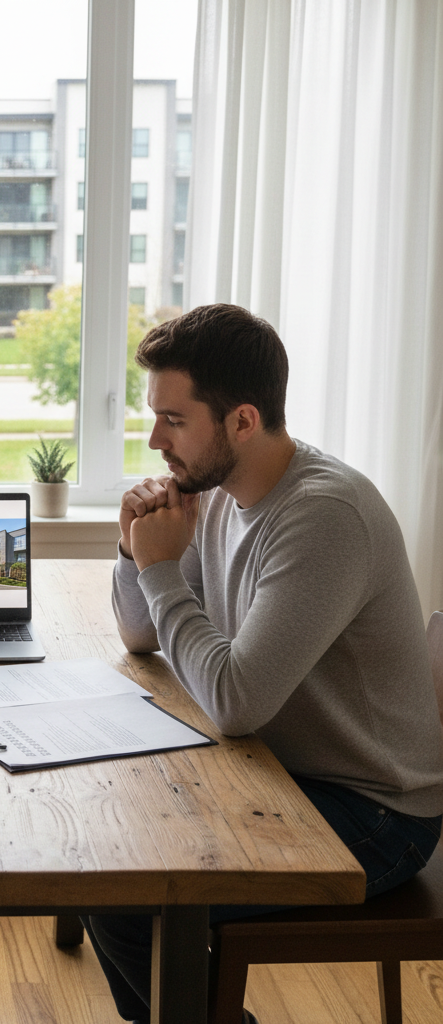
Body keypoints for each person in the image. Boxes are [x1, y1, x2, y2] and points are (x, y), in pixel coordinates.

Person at [85, 304, 443, 1024]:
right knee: (107, 843)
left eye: (174, 420)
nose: (155, 441)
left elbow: (235, 702)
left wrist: (159, 570)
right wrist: (133, 548)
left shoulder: (325, 517)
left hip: (373, 810)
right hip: (272, 770)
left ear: (243, 421)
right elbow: (140, 636)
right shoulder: (215, 492)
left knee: (127, 897)